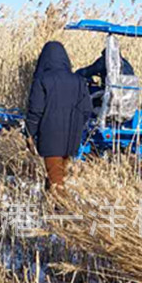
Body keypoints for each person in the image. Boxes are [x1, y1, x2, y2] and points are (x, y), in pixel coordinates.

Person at [25, 41, 93, 190]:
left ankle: (59, 209)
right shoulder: (79, 80)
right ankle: (51, 207)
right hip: (71, 140)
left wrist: (29, 133)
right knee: (59, 176)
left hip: (50, 139)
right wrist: (76, 126)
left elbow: (35, 110)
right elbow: (87, 109)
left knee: (56, 181)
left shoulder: (42, 80)